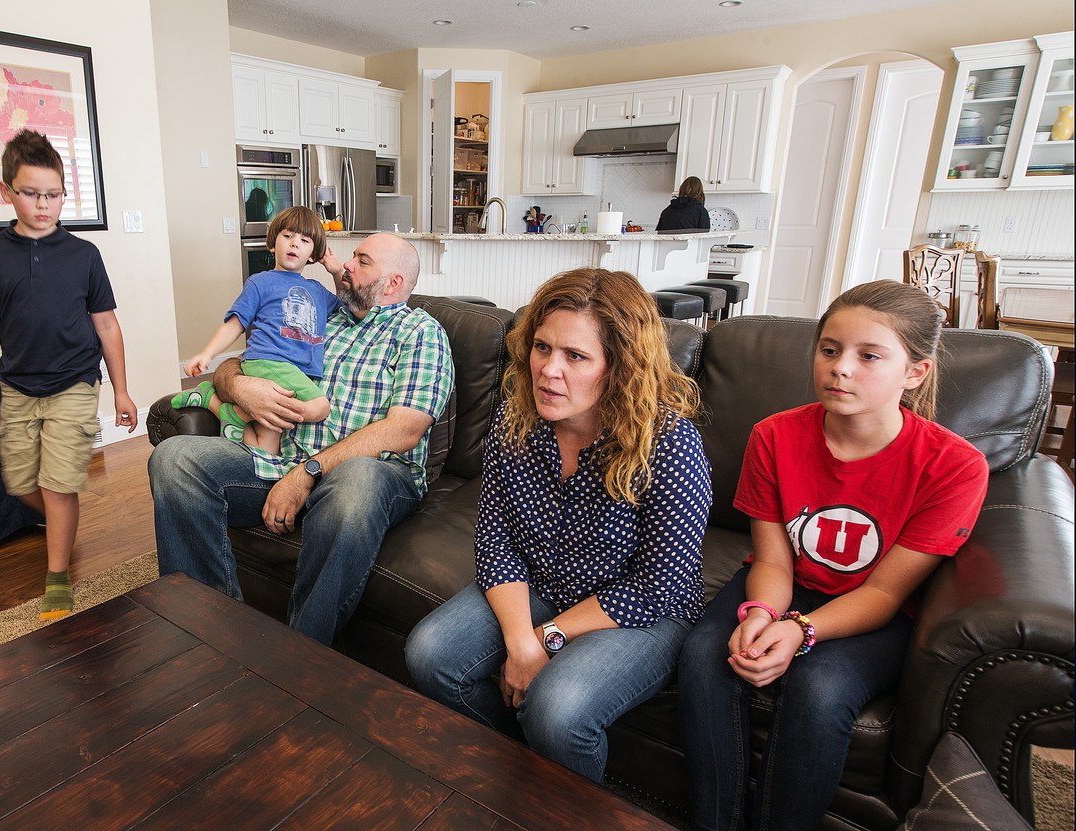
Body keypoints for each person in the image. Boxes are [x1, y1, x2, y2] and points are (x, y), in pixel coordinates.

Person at [677, 280, 989, 831]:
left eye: (869, 356)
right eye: (829, 349)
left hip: (874, 607)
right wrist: (761, 615)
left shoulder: (954, 466)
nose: (841, 367)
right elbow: (772, 561)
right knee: (707, 652)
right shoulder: (773, 436)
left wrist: (801, 630)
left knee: (820, 689)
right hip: (789, 581)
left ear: (914, 372)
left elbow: (886, 592)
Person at [404, 267, 711, 783]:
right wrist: (521, 641)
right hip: (543, 582)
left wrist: (543, 638)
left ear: (621, 367)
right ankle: (518, 785)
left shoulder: (670, 443)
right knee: (429, 654)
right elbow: (495, 538)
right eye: (542, 347)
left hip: (639, 612)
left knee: (558, 709)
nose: (549, 370)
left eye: (576, 356)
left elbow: (658, 587)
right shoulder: (514, 417)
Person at [149, 232, 454, 645]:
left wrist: (307, 473)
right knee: (175, 458)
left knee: (358, 478)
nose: (346, 265)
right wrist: (240, 387)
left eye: (362, 261)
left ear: (393, 284)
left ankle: (299, 654)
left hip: (373, 474)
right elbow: (238, 363)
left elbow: (404, 430)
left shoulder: (420, 333)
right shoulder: (321, 316)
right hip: (281, 459)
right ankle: (209, 632)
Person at [0, 129, 137, 621]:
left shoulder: (84, 256)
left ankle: (58, 574)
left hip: (75, 384)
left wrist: (120, 390)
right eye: (31, 194)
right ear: (6, 191)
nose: (43, 204)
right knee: (19, 481)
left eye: (53, 195)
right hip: (15, 386)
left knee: (58, 485)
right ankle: (62, 519)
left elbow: (107, 326)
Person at [171, 206, 341, 454]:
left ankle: (215, 403)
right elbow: (235, 324)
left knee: (267, 449)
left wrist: (337, 271)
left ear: (314, 254)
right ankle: (238, 412)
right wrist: (206, 354)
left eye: (304, 240)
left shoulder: (316, 290)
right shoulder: (260, 282)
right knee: (319, 406)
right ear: (273, 244)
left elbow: (346, 304)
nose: (294, 244)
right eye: (287, 236)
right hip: (269, 362)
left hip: (293, 372)